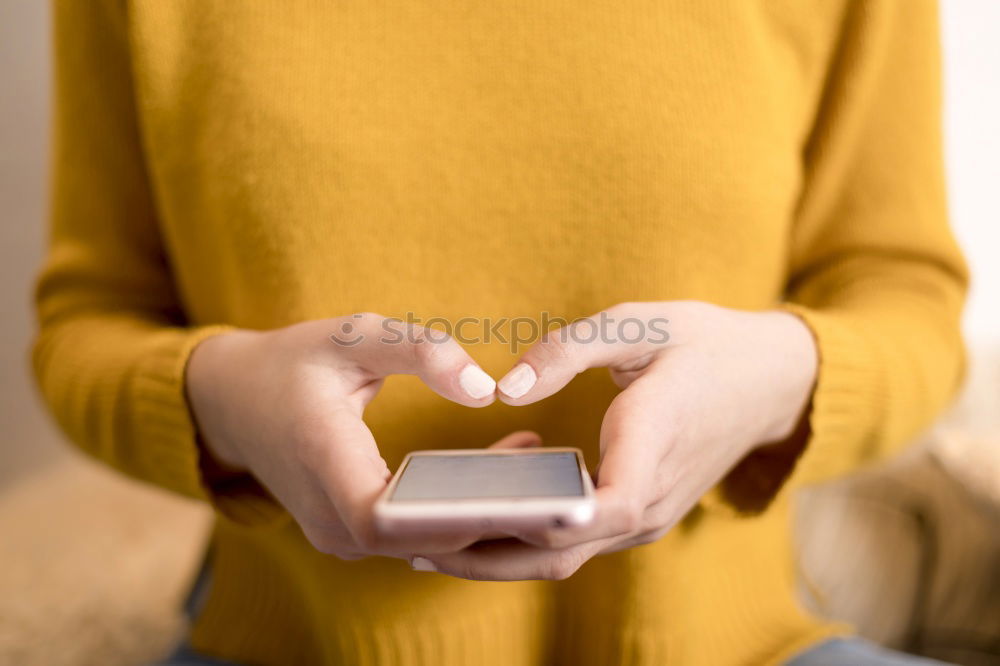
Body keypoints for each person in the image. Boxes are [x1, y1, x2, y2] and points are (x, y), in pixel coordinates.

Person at [33, 1, 966, 664]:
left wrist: (781, 376)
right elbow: (86, 325)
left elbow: (906, 299)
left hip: (731, 647)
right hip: (296, 644)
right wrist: (222, 395)